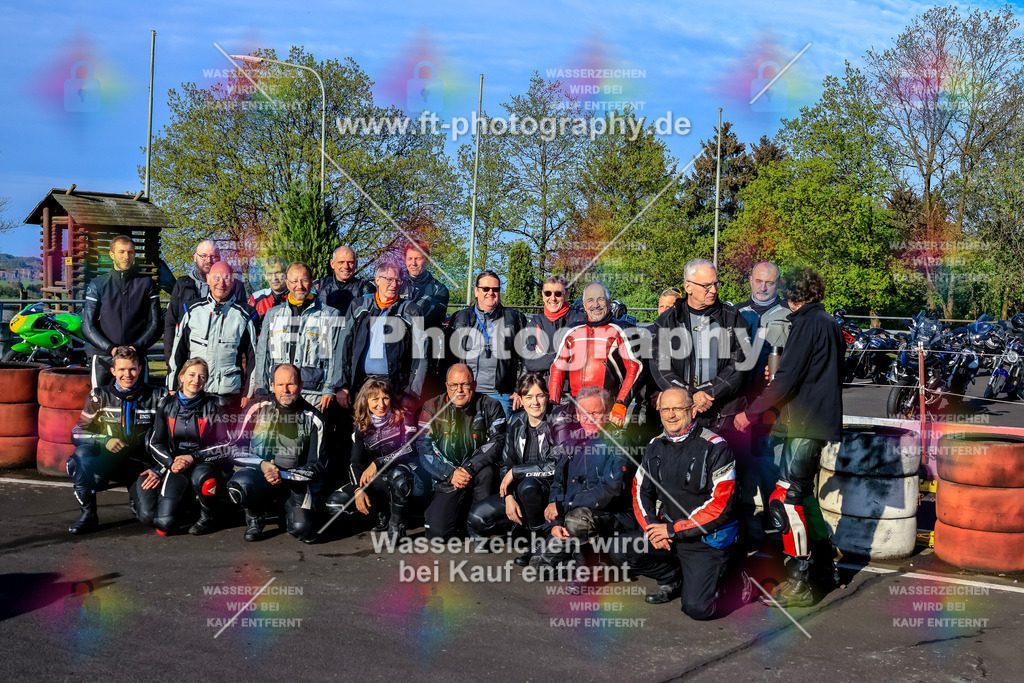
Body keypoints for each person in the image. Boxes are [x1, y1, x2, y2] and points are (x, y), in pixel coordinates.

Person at [734, 267, 845, 608]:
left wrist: (750, 411)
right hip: (817, 422)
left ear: (792, 295)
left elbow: (787, 380)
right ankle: (824, 568)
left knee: (785, 500)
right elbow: (830, 371)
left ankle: (799, 581)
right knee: (803, 496)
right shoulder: (830, 323)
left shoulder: (806, 324)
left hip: (803, 424)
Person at [610, 386, 745, 619]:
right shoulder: (654, 445)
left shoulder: (717, 446)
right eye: (665, 409)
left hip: (705, 541)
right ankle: (673, 578)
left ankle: (735, 580)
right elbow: (640, 491)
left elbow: (720, 506)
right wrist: (653, 530)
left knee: (697, 609)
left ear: (693, 411)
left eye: (677, 409)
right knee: (618, 549)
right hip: (668, 535)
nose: (670, 415)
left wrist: (672, 530)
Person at [466, 372, 569, 565]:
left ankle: (536, 541)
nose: (535, 402)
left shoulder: (559, 420)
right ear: (520, 399)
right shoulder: (515, 421)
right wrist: (509, 497)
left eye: (540, 395)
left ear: (547, 396)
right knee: (476, 518)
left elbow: (557, 464)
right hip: (521, 493)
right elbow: (507, 464)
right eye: (529, 397)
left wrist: (517, 473)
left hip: (550, 492)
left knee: (528, 486)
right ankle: (523, 528)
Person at [66, 346, 166, 534]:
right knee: (78, 459)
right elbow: (77, 433)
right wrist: (105, 440)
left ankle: (136, 497)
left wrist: (158, 469)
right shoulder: (98, 395)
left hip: (142, 467)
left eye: (132, 369)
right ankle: (88, 515)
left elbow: (170, 439)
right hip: (109, 462)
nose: (127, 374)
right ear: (113, 371)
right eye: (121, 369)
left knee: (148, 517)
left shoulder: (158, 396)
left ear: (140, 369)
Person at [227, 364, 328, 543]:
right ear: (272, 385)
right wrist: (263, 465)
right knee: (240, 483)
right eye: (280, 385)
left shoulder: (314, 418)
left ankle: (286, 512)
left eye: (291, 384)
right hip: (258, 474)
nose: (285, 390)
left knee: (302, 529)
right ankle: (255, 519)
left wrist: (282, 474)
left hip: (293, 480)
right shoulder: (255, 408)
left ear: (301, 385)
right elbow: (235, 448)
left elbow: (317, 465)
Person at [650, 258, 753, 429]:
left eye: (716, 283)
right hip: (682, 415)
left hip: (724, 415)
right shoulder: (667, 321)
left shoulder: (733, 318)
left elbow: (739, 366)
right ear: (688, 287)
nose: (713, 290)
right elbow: (661, 368)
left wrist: (706, 393)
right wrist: (691, 395)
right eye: (706, 286)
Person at [539, 387, 635, 570]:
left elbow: (610, 490)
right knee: (540, 566)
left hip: (611, 517)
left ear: (607, 413)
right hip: (573, 516)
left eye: (595, 413)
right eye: (583, 413)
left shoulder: (619, 442)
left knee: (578, 519)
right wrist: (556, 523)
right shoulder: (571, 442)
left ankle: (590, 570)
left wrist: (564, 505)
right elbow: (558, 485)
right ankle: (579, 557)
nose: (589, 418)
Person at [416, 364, 507, 540]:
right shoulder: (431, 407)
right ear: (446, 386)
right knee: (438, 534)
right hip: (448, 478)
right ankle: (457, 515)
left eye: (465, 384)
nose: (460, 390)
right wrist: (451, 473)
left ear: (474, 385)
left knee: (487, 472)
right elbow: (423, 448)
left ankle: (478, 526)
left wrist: (469, 468)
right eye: (454, 385)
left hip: (479, 475)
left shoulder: (491, 406)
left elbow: (498, 441)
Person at [144, 358, 232, 536]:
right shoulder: (166, 404)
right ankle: (187, 505)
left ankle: (209, 515)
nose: (196, 380)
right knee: (164, 525)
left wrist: (194, 457)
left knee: (204, 478)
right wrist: (171, 463)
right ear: (181, 377)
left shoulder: (215, 404)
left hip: (205, 463)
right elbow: (155, 442)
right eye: (191, 375)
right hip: (176, 465)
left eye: (202, 376)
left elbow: (226, 443)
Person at [325, 379, 423, 539]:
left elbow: (411, 448)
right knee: (335, 504)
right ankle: (379, 514)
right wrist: (358, 490)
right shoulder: (361, 425)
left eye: (385, 398)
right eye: (375, 399)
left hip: (405, 476)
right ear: (366, 401)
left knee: (398, 477)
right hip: (377, 481)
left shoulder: (404, 416)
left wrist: (377, 463)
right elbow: (354, 462)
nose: (381, 404)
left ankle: (397, 524)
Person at [332, 261, 426, 412]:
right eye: (389, 279)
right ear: (377, 280)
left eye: (398, 280)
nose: (394, 284)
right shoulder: (358, 306)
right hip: (360, 384)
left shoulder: (412, 311)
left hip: (394, 388)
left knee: (390, 434)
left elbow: (421, 356)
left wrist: (411, 394)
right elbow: (343, 347)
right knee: (360, 431)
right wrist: (341, 384)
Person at [548, 282, 643, 427]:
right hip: (575, 405)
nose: (596, 305)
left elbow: (635, 368)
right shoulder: (571, 330)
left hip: (607, 406)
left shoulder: (623, 329)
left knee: (603, 448)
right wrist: (553, 402)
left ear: (609, 302)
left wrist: (621, 403)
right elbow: (557, 367)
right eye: (590, 300)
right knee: (573, 447)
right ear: (584, 305)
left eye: (600, 299)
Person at [251, 262, 342, 413]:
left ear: (312, 281)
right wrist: (261, 388)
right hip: (279, 394)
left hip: (314, 394)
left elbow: (334, 356)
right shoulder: (273, 314)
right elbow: (262, 354)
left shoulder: (330, 315)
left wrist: (329, 389)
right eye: (293, 281)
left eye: (304, 280)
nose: (299, 286)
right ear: (287, 283)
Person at [168, 261, 258, 409]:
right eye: (216, 278)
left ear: (233, 282)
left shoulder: (246, 315)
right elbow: (178, 351)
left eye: (226, 278)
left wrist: (248, 392)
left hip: (229, 395)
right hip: (194, 391)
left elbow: (253, 357)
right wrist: (172, 385)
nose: (221, 283)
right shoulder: (190, 311)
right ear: (208, 279)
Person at [81, 234, 161, 388]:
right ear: (111, 255)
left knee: (138, 405)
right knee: (102, 405)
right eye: (121, 252)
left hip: (135, 358)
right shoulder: (98, 284)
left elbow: (156, 324)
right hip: (104, 358)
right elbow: (87, 325)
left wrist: (135, 347)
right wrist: (111, 349)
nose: (127, 256)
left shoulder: (147, 284)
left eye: (131, 252)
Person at [446, 271, 527, 417]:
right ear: (476, 291)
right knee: (466, 439)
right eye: (485, 289)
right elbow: (449, 358)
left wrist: (521, 389)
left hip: (501, 395)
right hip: (466, 393)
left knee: (500, 439)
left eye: (495, 289)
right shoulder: (460, 317)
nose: (491, 293)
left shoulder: (514, 318)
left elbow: (526, 359)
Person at [163, 240, 247, 362]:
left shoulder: (236, 286)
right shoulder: (182, 284)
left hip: (224, 360)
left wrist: (242, 360)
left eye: (214, 256)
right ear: (195, 257)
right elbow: (171, 322)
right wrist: (170, 358)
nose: (209, 260)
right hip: (187, 358)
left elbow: (243, 326)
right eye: (204, 256)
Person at [522, 275, 576, 379]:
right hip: (543, 388)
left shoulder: (579, 321)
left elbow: (581, 360)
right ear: (542, 295)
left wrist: (544, 357)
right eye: (548, 293)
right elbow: (529, 363)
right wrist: (565, 356)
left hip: (571, 389)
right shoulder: (535, 322)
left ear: (567, 295)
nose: (553, 298)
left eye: (558, 293)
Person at [399, 239, 450, 330]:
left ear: (427, 260)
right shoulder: (396, 283)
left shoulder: (439, 289)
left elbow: (433, 321)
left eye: (418, 258)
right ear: (405, 260)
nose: (413, 263)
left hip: (422, 340)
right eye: (410, 259)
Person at [314, 245, 375, 316]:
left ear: (356, 264)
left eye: (350, 262)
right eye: (341, 262)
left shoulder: (366, 287)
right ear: (332, 264)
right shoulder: (318, 285)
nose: (346, 266)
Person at [248, 255, 290, 326]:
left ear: (286, 273)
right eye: (270, 274)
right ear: (265, 276)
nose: (274, 278)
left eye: (278, 273)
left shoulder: (296, 296)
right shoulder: (256, 298)